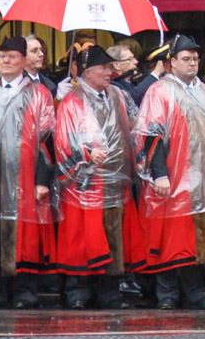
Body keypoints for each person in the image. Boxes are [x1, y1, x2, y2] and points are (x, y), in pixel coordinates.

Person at [133, 35, 205, 310]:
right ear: (171, 63)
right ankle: (166, 295)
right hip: (174, 178)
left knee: (194, 241)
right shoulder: (160, 91)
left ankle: (194, 294)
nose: (192, 64)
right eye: (186, 59)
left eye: (195, 59)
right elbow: (151, 135)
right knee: (171, 238)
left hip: (203, 180)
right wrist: (160, 173)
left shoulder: (203, 90)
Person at [54, 46, 144, 309]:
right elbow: (63, 142)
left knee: (113, 236)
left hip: (115, 182)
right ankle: (77, 292)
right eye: (104, 68)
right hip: (85, 183)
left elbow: (132, 127)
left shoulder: (117, 95)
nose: (109, 72)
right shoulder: (73, 101)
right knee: (82, 239)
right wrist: (86, 153)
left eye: (110, 67)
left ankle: (108, 290)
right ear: (88, 72)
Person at [0, 37, 57, 308]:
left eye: (12, 56)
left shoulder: (39, 94)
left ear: (23, 61)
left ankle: (24, 291)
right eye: (2, 56)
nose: (6, 61)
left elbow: (48, 139)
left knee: (25, 233)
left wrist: (42, 180)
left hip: (24, 175)